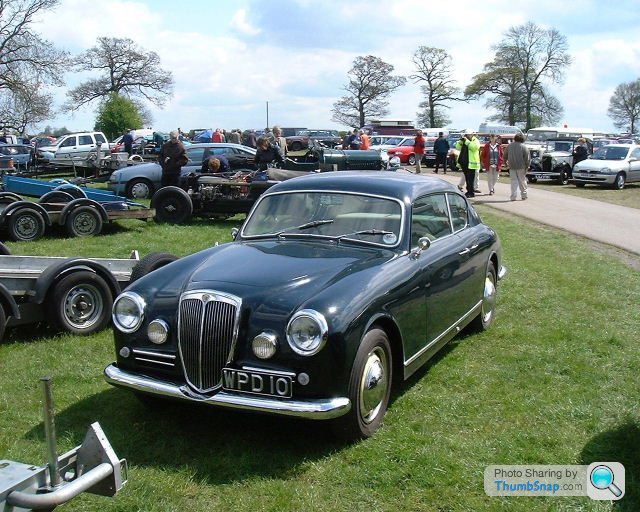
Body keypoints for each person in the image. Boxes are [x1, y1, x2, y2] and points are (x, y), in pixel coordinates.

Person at [504, 132, 530, 201]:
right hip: (521, 167)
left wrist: (506, 164)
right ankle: (524, 195)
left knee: (513, 182)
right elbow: (527, 158)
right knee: (522, 182)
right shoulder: (524, 147)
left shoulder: (509, 146)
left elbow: (505, 156)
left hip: (512, 166)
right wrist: (527, 167)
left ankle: (513, 196)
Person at [456, 130, 481, 197]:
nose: (467, 135)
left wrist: (467, 141)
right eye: (466, 134)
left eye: (468, 134)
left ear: (472, 134)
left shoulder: (475, 141)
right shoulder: (464, 141)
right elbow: (457, 147)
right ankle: (468, 191)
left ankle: (471, 192)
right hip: (464, 163)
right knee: (467, 178)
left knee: (471, 179)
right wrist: (460, 142)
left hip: (472, 164)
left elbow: (474, 148)